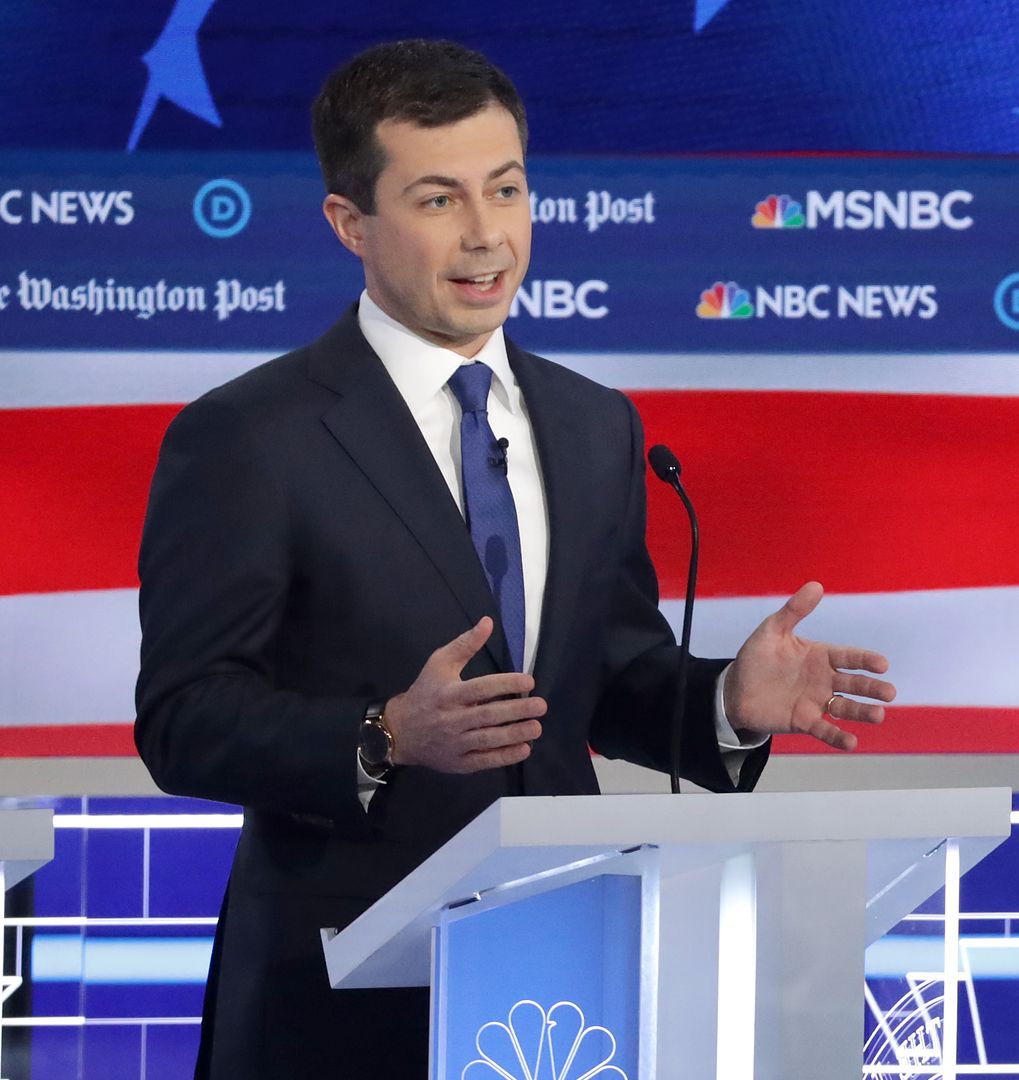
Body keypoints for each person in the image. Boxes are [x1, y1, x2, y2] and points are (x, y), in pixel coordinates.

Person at [133, 40, 894, 1079]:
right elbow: (184, 719)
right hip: (336, 997)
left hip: (566, 992)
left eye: (506, 189)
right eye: (438, 199)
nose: (487, 233)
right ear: (350, 223)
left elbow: (605, 676)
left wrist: (724, 703)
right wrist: (384, 734)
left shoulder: (594, 426)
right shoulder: (252, 437)